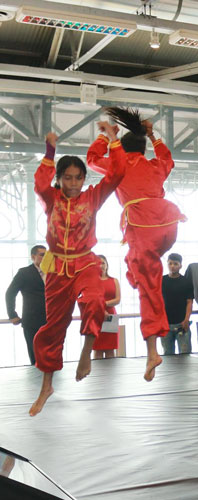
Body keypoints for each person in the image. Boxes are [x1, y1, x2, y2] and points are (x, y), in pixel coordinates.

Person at [29, 126, 125, 416]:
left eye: (78, 177)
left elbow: (117, 173)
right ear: (60, 179)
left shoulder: (93, 197)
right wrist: (49, 151)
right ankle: (47, 385)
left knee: (95, 300)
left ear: (85, 179)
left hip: (85, 262)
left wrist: (113, 140)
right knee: (53, 328)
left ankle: (87, 352)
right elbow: (39, 183)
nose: (73, 183)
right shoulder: (51, 200)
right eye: (67, 177)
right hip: (57, 268)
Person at [87, 107, 186, 382]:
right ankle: (137, 276)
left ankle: (152, 351)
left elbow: (92, 159)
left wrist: (107, 138)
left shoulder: (118, 164)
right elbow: (167, 159)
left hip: (142, 225)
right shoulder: (155, 165)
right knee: (138, 271)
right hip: (167, 224)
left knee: (148, 287)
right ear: (143, 148)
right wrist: (154, 136)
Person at [5, 245, 47, 365]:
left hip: (52, 321)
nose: (45, 258)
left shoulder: (53, 273)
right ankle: (38, 382)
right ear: (33, 257)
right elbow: (10, 293)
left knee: (52, 356)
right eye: (42, 255)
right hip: (32, 321)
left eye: (47, 255)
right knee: (36, 358)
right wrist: (12, 314)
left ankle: (51, 382)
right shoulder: (24, 272)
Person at [161, 253, 194, 355]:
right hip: (166, 324)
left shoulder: (186, 281)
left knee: (185, 354)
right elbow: (158, 301)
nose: (172, 266)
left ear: (180, 265)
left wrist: (186, 319)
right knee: (167, 354)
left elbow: (189, 302)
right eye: (170, 263)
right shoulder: (162, 280)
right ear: (167, 264)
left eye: (175, 264)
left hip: (182, 324)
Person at [91, 255, 121, 359]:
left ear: (107, 265)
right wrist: (100, 307)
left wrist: (103, 304)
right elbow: (90, 300)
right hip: (96, 316)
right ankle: (97, 375)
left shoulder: (114, 280)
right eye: (98, 263)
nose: (101, 265)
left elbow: (118, 299)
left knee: (110, 349)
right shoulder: (91, 282)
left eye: (103, 263)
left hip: (110, 316)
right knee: (97, 349)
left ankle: (111, 374)